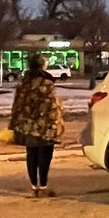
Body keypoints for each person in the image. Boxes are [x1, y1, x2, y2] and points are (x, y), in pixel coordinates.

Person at [9, 54, 66, 197]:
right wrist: (57, 124)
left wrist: (15, 124)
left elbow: (17, 106)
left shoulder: (23, 84)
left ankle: (34, 187)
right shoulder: (46, 84)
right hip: (44, 126)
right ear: (42, 65)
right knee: (45, 157)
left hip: (27, 126)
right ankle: (43, 186)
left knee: (31, 155)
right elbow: (52, 107)